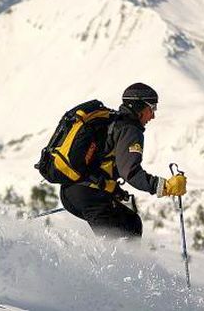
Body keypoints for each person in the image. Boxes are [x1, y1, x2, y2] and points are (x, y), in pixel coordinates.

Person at [60, 83, 187, 238]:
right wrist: (165, 186)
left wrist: (115, 191)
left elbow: (103, 165)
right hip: (88, 195)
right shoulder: (130, 130)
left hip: (71, 192)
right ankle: (116, 263)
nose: (153, 116)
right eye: (152, 108)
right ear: (140, 107)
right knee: (128, 231)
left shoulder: (114, 123)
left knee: (130, 224)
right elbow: (131, 173)